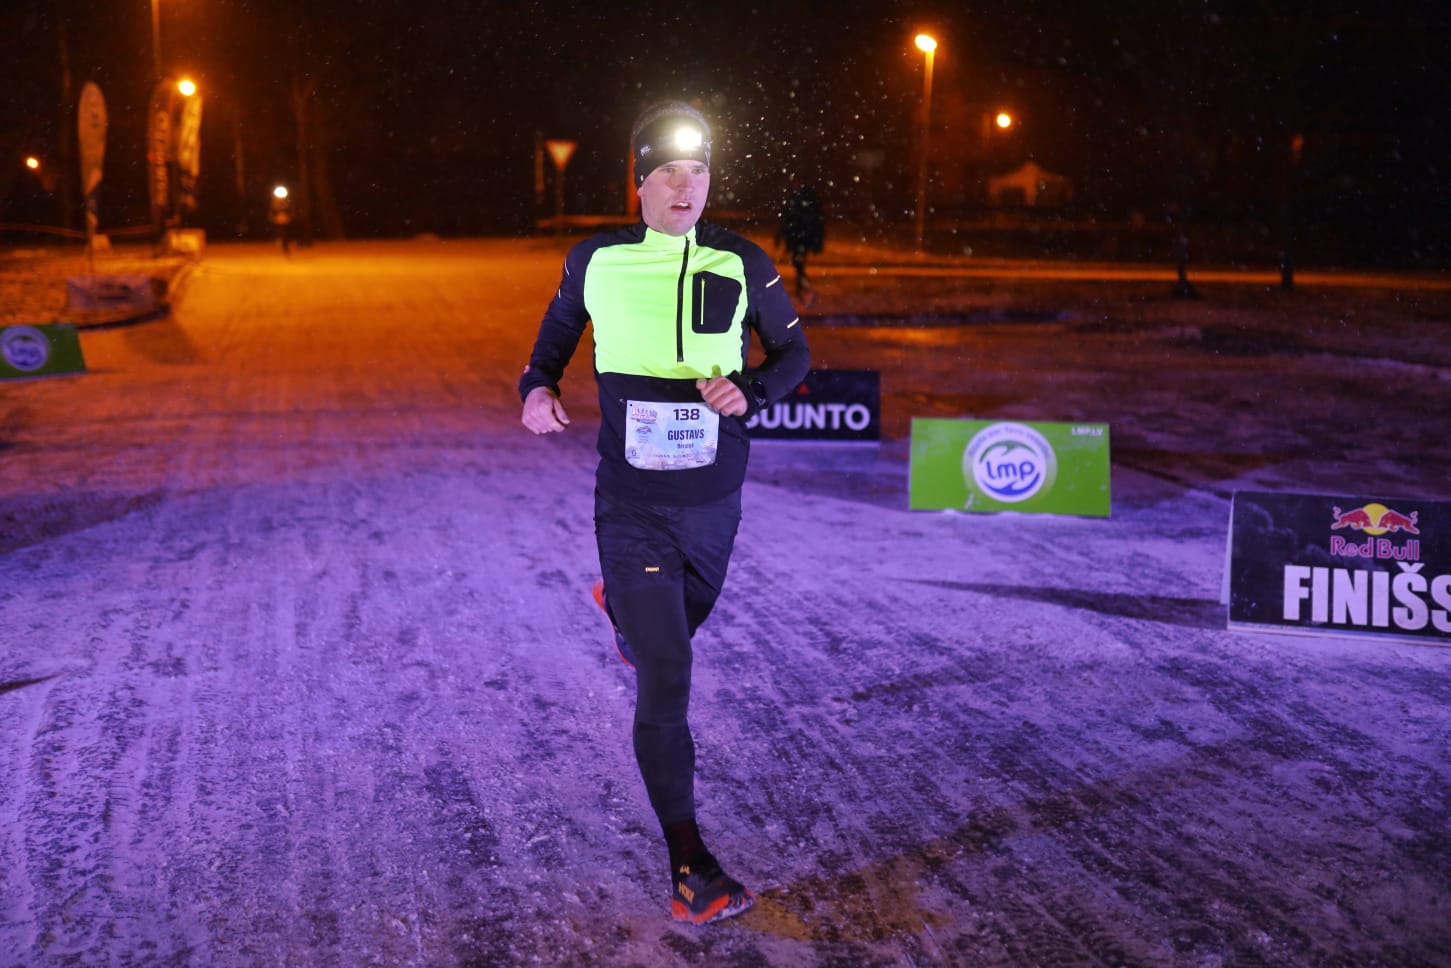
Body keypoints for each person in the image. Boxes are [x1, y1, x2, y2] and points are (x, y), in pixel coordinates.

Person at [519, 100, 810, 926]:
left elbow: (795, 354)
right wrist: (536, 387)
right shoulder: (597, 259)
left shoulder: (741, 260)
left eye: (699, 171)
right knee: (668, 671)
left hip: (715, 499)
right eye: (668, 172)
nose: (686, 186)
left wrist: (750, 388)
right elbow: (555, 335)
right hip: (633, 503)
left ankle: (623, 610)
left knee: (682, 624)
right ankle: (690, 867)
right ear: (639, 182)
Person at [775, 176, 825, 300]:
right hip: (797, 236)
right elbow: (786, 218)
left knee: (798, 261)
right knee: (798, 262)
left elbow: (813, 218)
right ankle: (801, 284)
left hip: (802, 236)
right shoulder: (795, 198)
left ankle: (802, 284)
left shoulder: (803, 199)